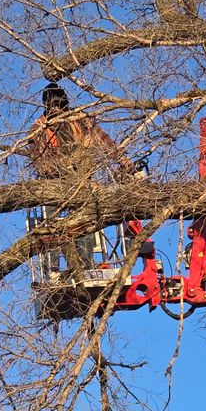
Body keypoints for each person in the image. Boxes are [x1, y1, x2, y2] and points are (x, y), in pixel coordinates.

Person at [28, 83, 134, 274]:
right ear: (45, 104)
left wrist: (123, 160)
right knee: (52, 225)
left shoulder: (81, 121)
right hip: (54, 184)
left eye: (59, 103)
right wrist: (60, 167)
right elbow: (38, 161)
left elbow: (105, 142)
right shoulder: (39, 127)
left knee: (84, 221)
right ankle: (53, 269)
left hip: (82, 181)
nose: (56, 108)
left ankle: (86, 265)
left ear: (65, 102)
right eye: (51, 103)